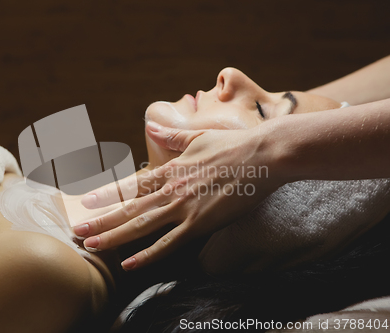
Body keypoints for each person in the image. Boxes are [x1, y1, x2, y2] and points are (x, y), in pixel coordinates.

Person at [0, 64, 388, 333]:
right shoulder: (48, 206)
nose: (231, 75)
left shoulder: (45, 268)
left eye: (261, 109)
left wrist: (279, 146)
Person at [74, 56, 390, 271]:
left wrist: (269, 148)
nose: (231, 74)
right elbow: (333, 119)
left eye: (263, 113)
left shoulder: (57, 270)